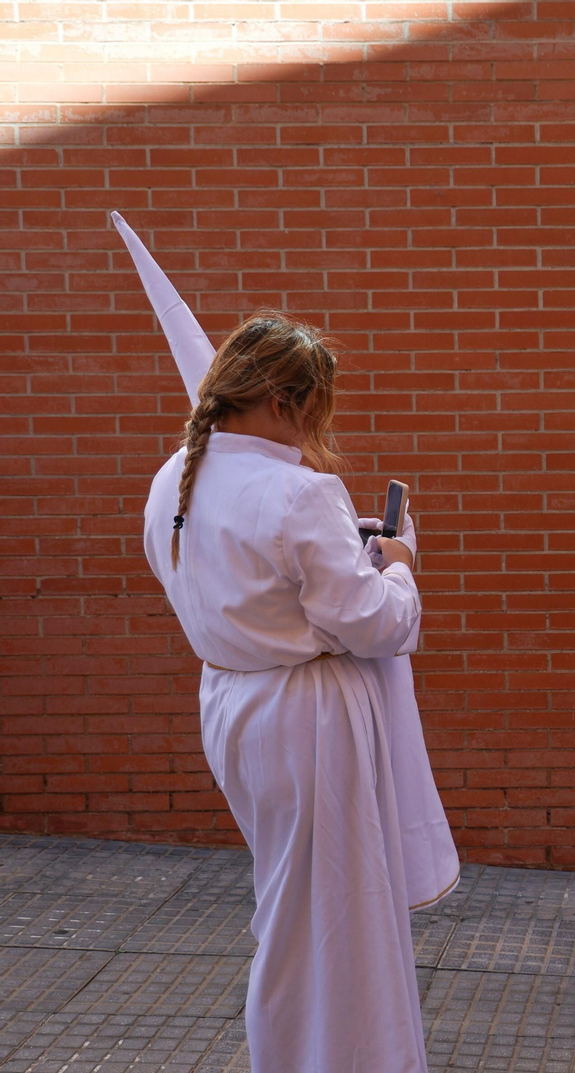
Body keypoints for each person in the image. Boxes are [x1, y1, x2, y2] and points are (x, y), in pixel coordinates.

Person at [120, 213, 456, 1070]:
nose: (315, 429)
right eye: (312, 410)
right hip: (309, 721)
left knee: (292, 908)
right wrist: (400, 562)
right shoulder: (300, 494)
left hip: (232, 707)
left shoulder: (173, 480)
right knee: (341, 924)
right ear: (282, 400)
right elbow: (378, 624)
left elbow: (242, 585)